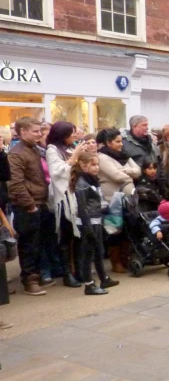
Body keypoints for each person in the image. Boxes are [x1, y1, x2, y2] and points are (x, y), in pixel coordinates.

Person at [8, 117, 50, 295]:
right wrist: (30, 205)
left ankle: (36, 275)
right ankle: (29, 279)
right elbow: (15, 183)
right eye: (35, 131)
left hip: (39, 201)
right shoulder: (17, 153)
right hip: (27, 206)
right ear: (23, 132)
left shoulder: (34, 149)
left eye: (40, 130)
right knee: (28, 244)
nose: (39, 134)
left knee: (38, 242)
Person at [45, 121, 87, 287]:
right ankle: (67, 274)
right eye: (71, 134)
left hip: (77, 195)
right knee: (66, 236)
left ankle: (79, 270)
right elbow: (57, 172)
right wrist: (75, 156)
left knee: (79, 236)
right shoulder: (52, 150)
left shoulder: (70, 148)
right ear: (62, 135)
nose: (74, 137)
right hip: (64, 198)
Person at [71, 152, 119, 295]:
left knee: (99, 250)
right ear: (83, 165)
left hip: (96, 219)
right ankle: (89, 284)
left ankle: (103, 277)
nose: (96, 167)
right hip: (88, 222)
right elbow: (82, 207)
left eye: (97, 164)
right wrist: (88, 227)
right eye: (93, 164)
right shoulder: (82, 183)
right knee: (88, 253)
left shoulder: (91, 180)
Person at [97, 128, 141, 273]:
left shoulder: (124, 155)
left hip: (129, 199)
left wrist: (125, 172)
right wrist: (129, 173)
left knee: (128, 229)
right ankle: (116, 262)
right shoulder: (102, 157)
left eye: (121, 141)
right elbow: (116, 176)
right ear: (108, 143)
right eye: (117, 141)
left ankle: (125, 258)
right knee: (115, 231)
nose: (121, 144)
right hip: (112, 200)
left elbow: (138, 171)